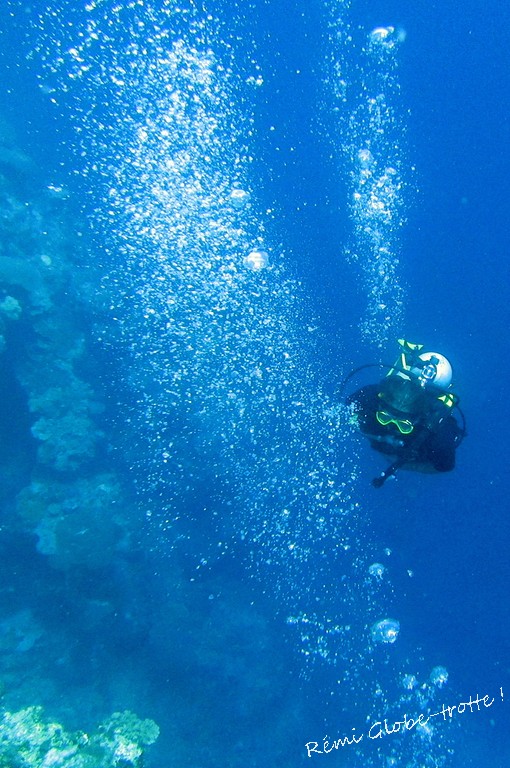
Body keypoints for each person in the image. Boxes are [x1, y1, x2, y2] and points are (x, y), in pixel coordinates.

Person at [345, 339, 465, 487]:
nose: (391, 427)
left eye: (404, 425)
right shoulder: (371, 397)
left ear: (418, 420)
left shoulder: (440, 436)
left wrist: (404, 463)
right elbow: (347, 409)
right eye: (384, 417)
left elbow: (445, 465)